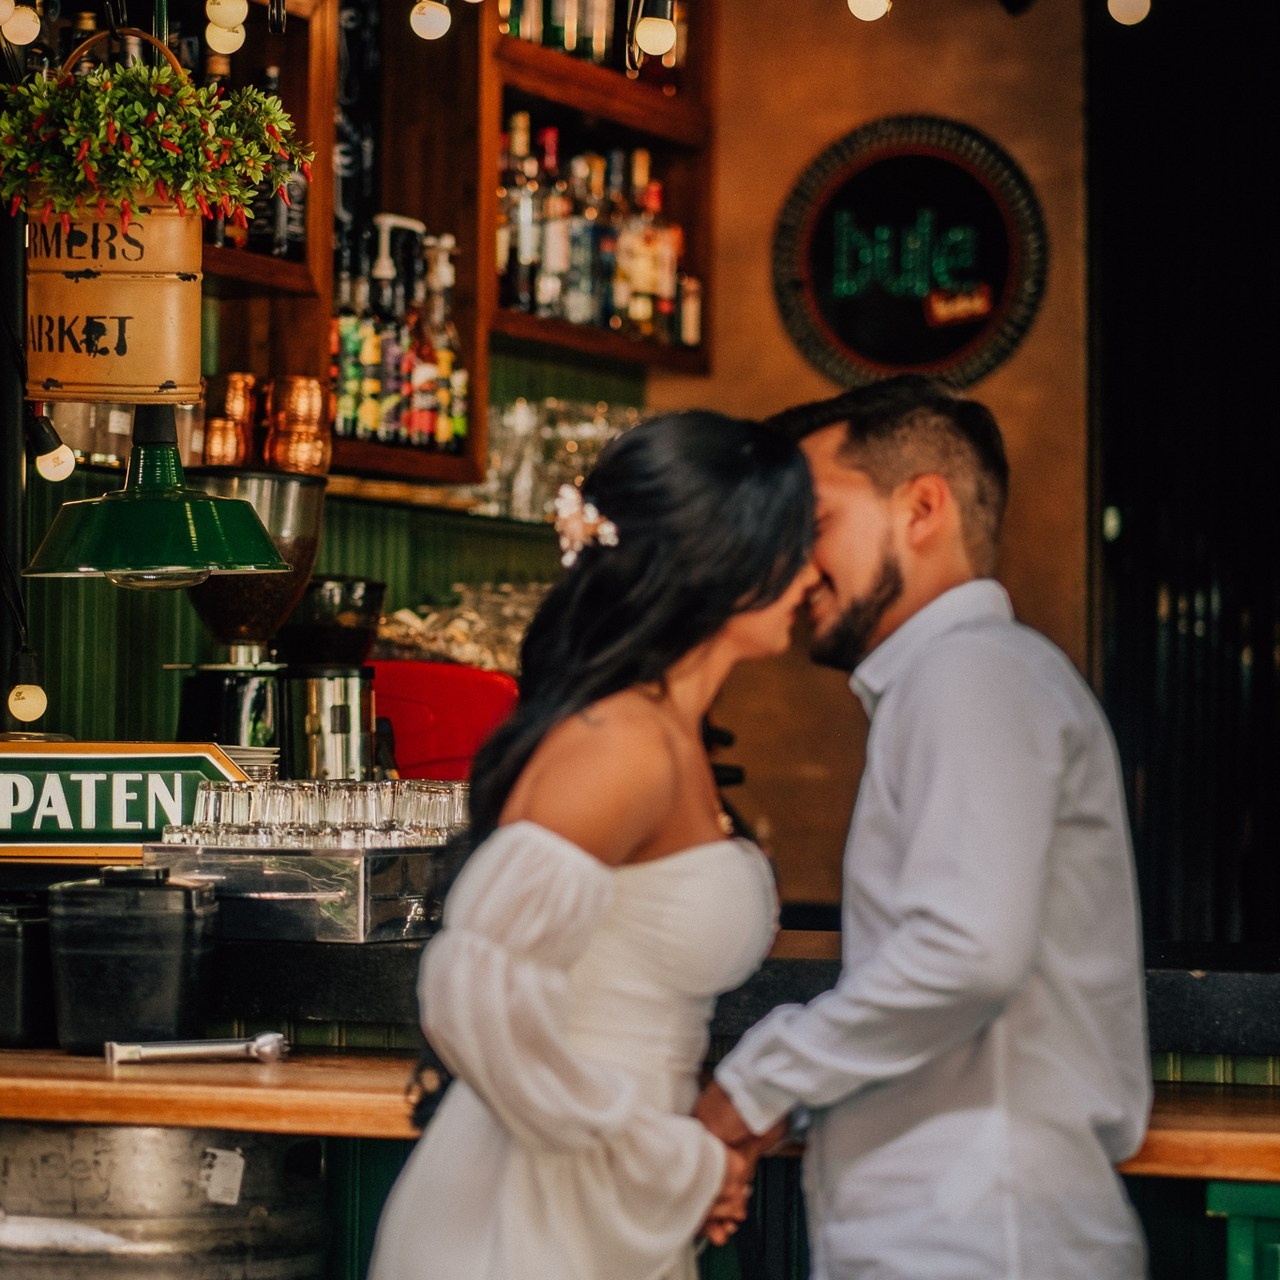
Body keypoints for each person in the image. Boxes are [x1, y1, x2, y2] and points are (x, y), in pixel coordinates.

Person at [695, 375, 1151, 1280]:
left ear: (922, 509)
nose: (793, 566)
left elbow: (966, 952)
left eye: (814, 522)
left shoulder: (969, 673)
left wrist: (751, 1087)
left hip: (981, 1236)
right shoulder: (960, 679)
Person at [368, 410, 819, 1280]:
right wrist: (669, 1160)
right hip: (537, 1210)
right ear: (728, 559)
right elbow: (472, 991)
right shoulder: (622, 744)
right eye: (795, 543)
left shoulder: (667, 734)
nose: (811, 573)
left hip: (608, 1195)